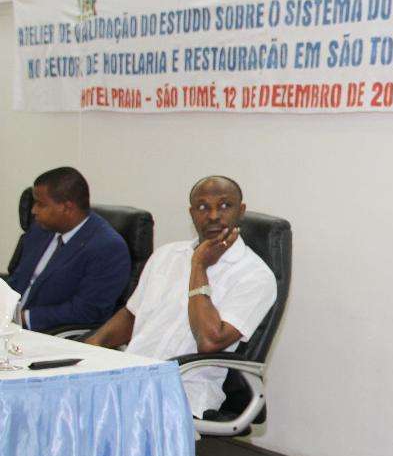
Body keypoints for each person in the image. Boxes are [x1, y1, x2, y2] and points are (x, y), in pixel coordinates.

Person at [86, 176, 276, 418]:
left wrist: (199, 266)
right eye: (203, 207)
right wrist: (86, 350)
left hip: (183, 392)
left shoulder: (255, 275)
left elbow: (209, 341)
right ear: (192, 213)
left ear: (241, 211)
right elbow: (131, 317)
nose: (213, 215)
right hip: (129, 377)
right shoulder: (166, 255)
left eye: (225, 205)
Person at [4, 167, 130, 331]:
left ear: (67, 208)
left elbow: (87, 311)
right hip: (9, 325)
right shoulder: (40, 230)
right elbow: (18, 279)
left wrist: (23, 318)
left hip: (49, 333)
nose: (34, 210)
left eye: (41, 204)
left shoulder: (108, 247)